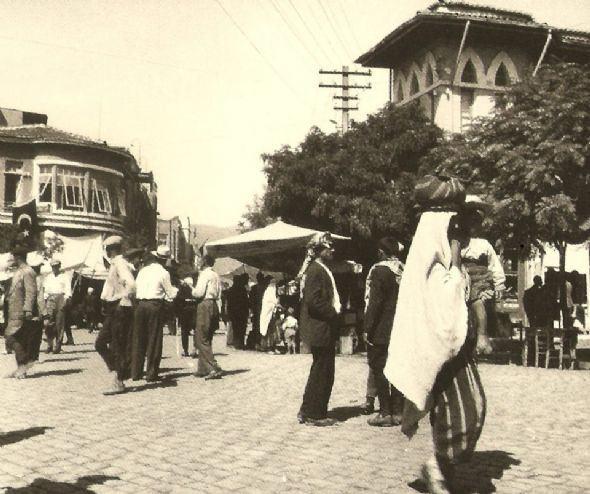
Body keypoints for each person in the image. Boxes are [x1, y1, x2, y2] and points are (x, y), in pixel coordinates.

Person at [384, 175, 486, 494]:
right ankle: (437, 467)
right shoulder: (435, 259)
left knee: (458, 412)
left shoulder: (438, 256)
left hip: (451, 350)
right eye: (454, 228)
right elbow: (446, 303)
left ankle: (440, 469)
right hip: (441, 352)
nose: (458, 233)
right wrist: (455, 261)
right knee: (466, 410)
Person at [298, 233, 341, 427]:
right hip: (320, 327)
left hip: (322, 327)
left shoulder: (319, 269)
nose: (332, 250)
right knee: (322, 371)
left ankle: (309, 410)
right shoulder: (316, 270)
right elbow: (314, 301)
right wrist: (333, 314)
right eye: (328, 247)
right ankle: (315, 414)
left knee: (320, 370)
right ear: (318, 250)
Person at [364, 236, 404, 427]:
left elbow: (375, 303)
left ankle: (385, 412)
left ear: (381, 252)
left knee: (379, 369)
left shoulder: (380, 271)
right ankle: (398, 411)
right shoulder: (404, 270)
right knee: (397, 368)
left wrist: (367, 328)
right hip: (401, 327)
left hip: (382, 328)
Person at [460, 206, 505, 355]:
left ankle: (482, 336)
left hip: (480, 279)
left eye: (475, 223)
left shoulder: (484, 244)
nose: (472, 227)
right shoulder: (459, 242)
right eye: (469, 223)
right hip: (463, 278)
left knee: (478, 303)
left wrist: (499, 284)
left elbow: (494, 265)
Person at [98, 236, 138, 394]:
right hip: (113, 308)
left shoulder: (120, 263)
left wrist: (123, 298)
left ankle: (119, 380)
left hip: (119, 308)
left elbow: (132, 284)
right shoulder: (117, 264)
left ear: (112, 249)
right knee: (101, 343)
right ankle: (120, 371)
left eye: (108, 249)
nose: (107, 252)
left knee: (118, 345)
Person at [131, 247, 177, 382]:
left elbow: (135, 288)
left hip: (140, 305)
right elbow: (170, 293)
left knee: (139, 338)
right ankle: (151, 373)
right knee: (154, 339)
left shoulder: (143, 270)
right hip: (154, 306)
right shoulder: (164, 273)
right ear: (164, 260)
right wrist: (176, 289)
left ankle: (136, 372)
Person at [4, 244, 37, 379]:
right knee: (19, 339)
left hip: (21, 311)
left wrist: (28, 309)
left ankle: (25, 362)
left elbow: (31, 292)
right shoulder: (18, 271)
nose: (12, 259)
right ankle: (21, 369)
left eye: (13, 256)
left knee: (10, 337)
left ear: (18, 257)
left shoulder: (28, 272)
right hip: (14, 310)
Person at [192, 254, 223, 380]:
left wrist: (190, 288)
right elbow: (219, 292)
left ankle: (213, 367)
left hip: (204, 304)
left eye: (200, 260)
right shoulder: (216, 275)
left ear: (204, 262)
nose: (199, 262)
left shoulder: (204, 274)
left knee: (200, 338)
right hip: (214, 304)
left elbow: (198, 293)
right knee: (207, 337)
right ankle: (202, 368)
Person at [43, 259, 72, 353]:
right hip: (50, 298)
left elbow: (68, 289)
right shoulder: (48, 277)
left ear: (59, 266)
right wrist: (45, 300)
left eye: (56, 266)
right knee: (48, 323)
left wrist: (66, 299)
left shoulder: (64, 276)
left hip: (61, 298)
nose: (54, 268)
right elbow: (45, 290)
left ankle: (58, 345)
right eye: (53, 267)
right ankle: (49, 345)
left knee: (60, 323)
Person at [227, 273, 249, 349]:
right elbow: (246, 302)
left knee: (236, 327)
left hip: (234, 312)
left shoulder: (231, 290)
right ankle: (240, 343)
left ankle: (237, 343)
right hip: (241, 312)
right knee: (241, 328)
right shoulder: (242, 289)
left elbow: (229, 303)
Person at [177, 276, 198, 357]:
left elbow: (178, 300)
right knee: (195, 330)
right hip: (194, 310)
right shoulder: (194, 288)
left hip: (184, 311)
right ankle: (195, 349)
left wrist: (177, 312)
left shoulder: (182, 289)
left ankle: (185, 350)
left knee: (184, 331)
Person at [248, 271, 266, 350]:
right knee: (262, 326)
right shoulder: (265, 287)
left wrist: (251, 309)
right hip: (262, 309)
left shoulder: (254, 288)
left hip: (256, 310)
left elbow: (250, 300)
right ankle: (261, 342)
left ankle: (257, 343)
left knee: (256, 326)